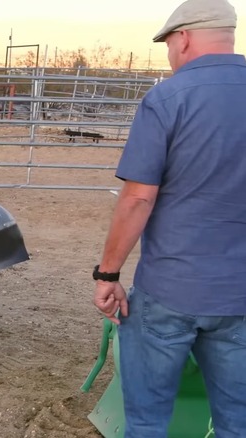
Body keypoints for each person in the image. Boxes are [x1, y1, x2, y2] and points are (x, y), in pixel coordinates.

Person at [92, 0, 246, 436]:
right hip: (240, 294)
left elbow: (138, 198)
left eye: (167, 44)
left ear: (184, 37)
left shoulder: (168, 98)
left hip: (170, 288)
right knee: (240, 421)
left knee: (147, 420)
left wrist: (108, 274)